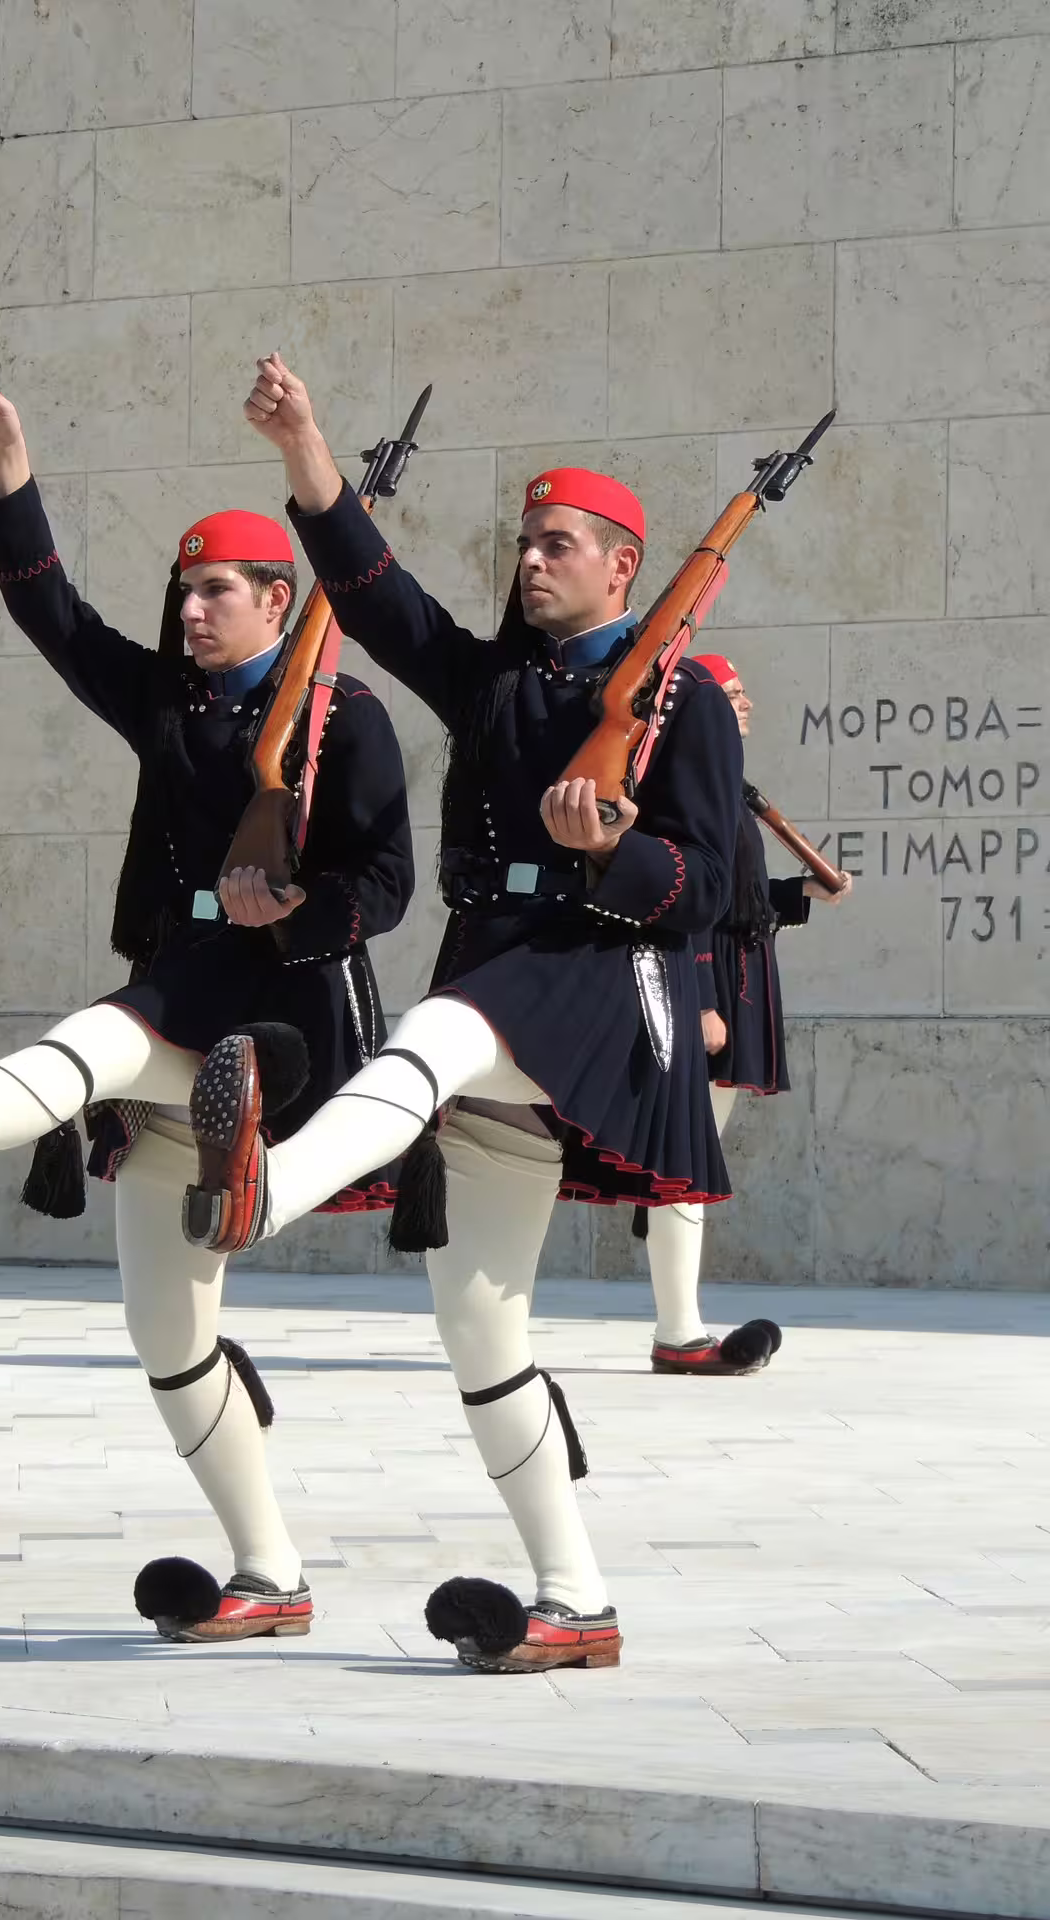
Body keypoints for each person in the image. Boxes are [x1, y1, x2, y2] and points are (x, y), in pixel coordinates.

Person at [178, 355, 755, 1674]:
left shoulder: (683, 708)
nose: (531, 558)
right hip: (499, 972)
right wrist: (308, 450)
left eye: (559, 545)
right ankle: (575, 1600)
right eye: (525, 541)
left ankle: (258, 1195)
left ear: (624, 567)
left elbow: (704, 890)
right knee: (478, 1325)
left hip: (600, 986)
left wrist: (613, 851)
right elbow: (375, 596)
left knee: (429, 1042)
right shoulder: (498, 685)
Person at [0, 387, 413, 1645]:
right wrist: (14, 468)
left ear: (276, 598)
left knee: (89, 1047)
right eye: (183, 595)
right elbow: (52, 615)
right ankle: (270, 1575)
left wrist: (288, 907)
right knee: (167, 1330)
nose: (189, 614)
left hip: (279, 1017)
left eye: (215, 596)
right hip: (182, 983)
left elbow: (388, 886)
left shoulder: (343, 721)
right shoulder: (168, 704)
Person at [638, 653, 852, 1372]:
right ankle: (680, 1330)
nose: (746, 702)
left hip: (738, 983)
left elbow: (741, 906)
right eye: (730, 694)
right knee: (685, 1172)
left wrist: (801, 897)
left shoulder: (722, 785)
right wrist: (700, 1001)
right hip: (711, 992)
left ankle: (681, 1322)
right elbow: (686, 909)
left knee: (692, 1169)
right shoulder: (692, 788)